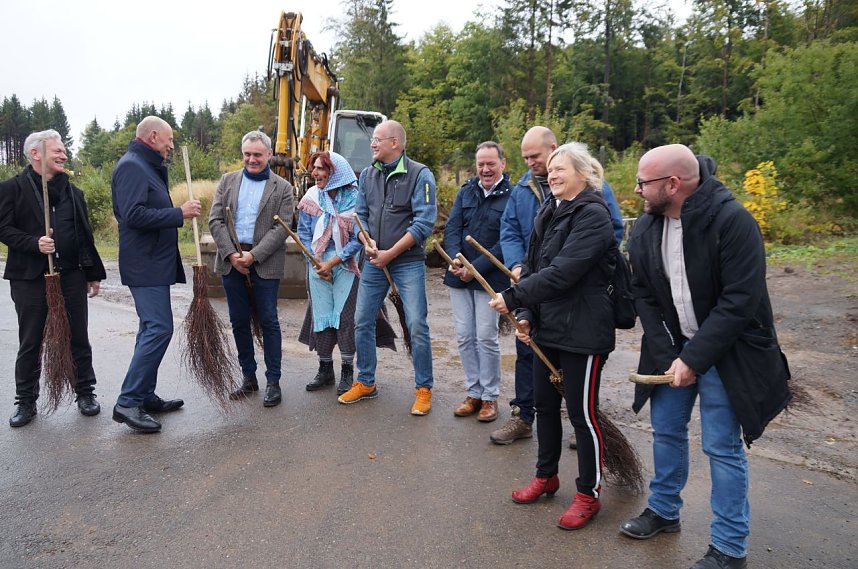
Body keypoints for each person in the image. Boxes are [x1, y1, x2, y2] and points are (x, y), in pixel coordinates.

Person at [620, 144, 791, 569]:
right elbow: (641, 291)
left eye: (644, 182)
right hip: (672, 348)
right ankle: (664, 511)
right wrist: (666, 351)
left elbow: (739, 302)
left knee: (722, 446)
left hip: (728, 353)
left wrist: (694, 359)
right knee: (666, 431)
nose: (637, 190)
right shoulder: (645, 226)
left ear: (673, 185)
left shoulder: (733, 222)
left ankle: (730, 549)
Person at [490, 142, 617, 530]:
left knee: (583, 416)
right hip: (548, 327)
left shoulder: (594, 215)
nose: (554, 173)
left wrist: (513, 297)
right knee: (544, 407)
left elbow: (564, 271)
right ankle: (546, 476)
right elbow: (531, 267)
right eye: (553, 168)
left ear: (584, 173)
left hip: (584, 329)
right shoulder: (549, 209)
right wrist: (524, 315)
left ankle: (587, 494)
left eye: (562, 168)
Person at [0, 129, 106, 427]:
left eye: (63, 150)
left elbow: (85, 236)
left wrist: (93, 273)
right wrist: (34, 243)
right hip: (30, 278)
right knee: (31, 340)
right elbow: (3, 229)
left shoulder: (74, 193)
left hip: (70, 275)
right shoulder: (12, 189)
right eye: (57, 151)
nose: (63, 155)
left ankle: (85, 393)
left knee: (78, 336)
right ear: (36, 154)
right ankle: (25, 402)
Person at [111, 116, 201, 433]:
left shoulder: (146, 165)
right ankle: (128, 400)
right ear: (152, 136)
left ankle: (145, 395)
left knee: (150, 328)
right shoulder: (132, 166)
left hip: (153, 263)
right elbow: (132, 214)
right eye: (169, 139)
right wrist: (179, 213)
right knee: (159, 328)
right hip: (144, 265)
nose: (172, 144)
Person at [340, 120, 437, 415]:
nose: (372, 144)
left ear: (395, 143)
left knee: (417, 324)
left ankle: (423, 388)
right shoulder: (368, 175)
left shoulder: (421, 175)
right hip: (373, 262)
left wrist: (390, 253)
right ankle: (366, 381)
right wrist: (365, 239)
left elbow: (424, 223)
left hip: (406, 263)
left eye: (377, 139)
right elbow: (360, 214)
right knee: (362, 320)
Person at [208, 130, 293, 407]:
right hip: (232, 262)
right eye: (247, 154)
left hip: (264, 263)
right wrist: (233, 255)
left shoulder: (283, 187)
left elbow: (281, 228)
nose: (251, 160)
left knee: (269, 321)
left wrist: (253, 256)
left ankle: (273, 381)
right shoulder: (227, 181)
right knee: (239, 321)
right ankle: (248, 377)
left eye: (257, 154)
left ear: (269, 154)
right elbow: (216, 220)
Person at [297, 150, 385, 395]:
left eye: (321, 169)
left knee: (346, 318)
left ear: (336, 173)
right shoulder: (312, 198)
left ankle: (347, 370)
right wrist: (315, 261)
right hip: (317, 264)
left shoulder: (356, 200)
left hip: (348, 264)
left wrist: (334, 261)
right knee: (322, 315)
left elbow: (360, 238)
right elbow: (303, 232)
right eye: (314, 168)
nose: (315, 173)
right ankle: (325, 369)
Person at [443, 141, 512, 423]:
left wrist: (476, 268)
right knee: (464, 336)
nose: (485, 169)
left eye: (490, 164)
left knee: (486, 337)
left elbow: (506, 240)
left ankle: (490, 398)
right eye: (481, 164)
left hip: (489, 278)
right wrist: (455, 261)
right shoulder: (467, 191)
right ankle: (473, 393)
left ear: (502, 165)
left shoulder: (513, 196)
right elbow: (453, 228)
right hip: (459, 276)